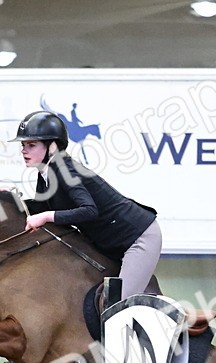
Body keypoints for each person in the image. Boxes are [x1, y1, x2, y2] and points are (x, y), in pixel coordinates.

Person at [11, 110, 161, 302]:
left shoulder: (66, 169)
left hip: (138, 238)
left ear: (53, 146)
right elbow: (39, 208)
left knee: (117, 304)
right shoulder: (45, 172)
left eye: (31, 145)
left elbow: (89, 210)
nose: (24, 150)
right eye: (23, 145)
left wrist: (47, 216)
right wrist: (8, 198)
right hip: (111, 243)